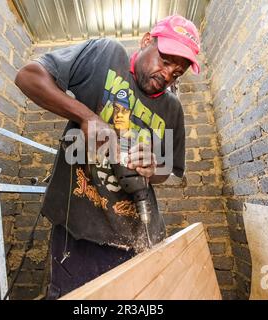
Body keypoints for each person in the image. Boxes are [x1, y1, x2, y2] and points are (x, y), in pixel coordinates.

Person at [15, 15, 201, 299]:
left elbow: (170, 171)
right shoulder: (105, 55)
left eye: (177, 73)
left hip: (138, 235)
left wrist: (154, 167)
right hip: (80, 232)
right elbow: (27, 77)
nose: (167, 75)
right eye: (165, 61)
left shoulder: (172, 109)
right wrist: (86, 116)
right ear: (146, 41)